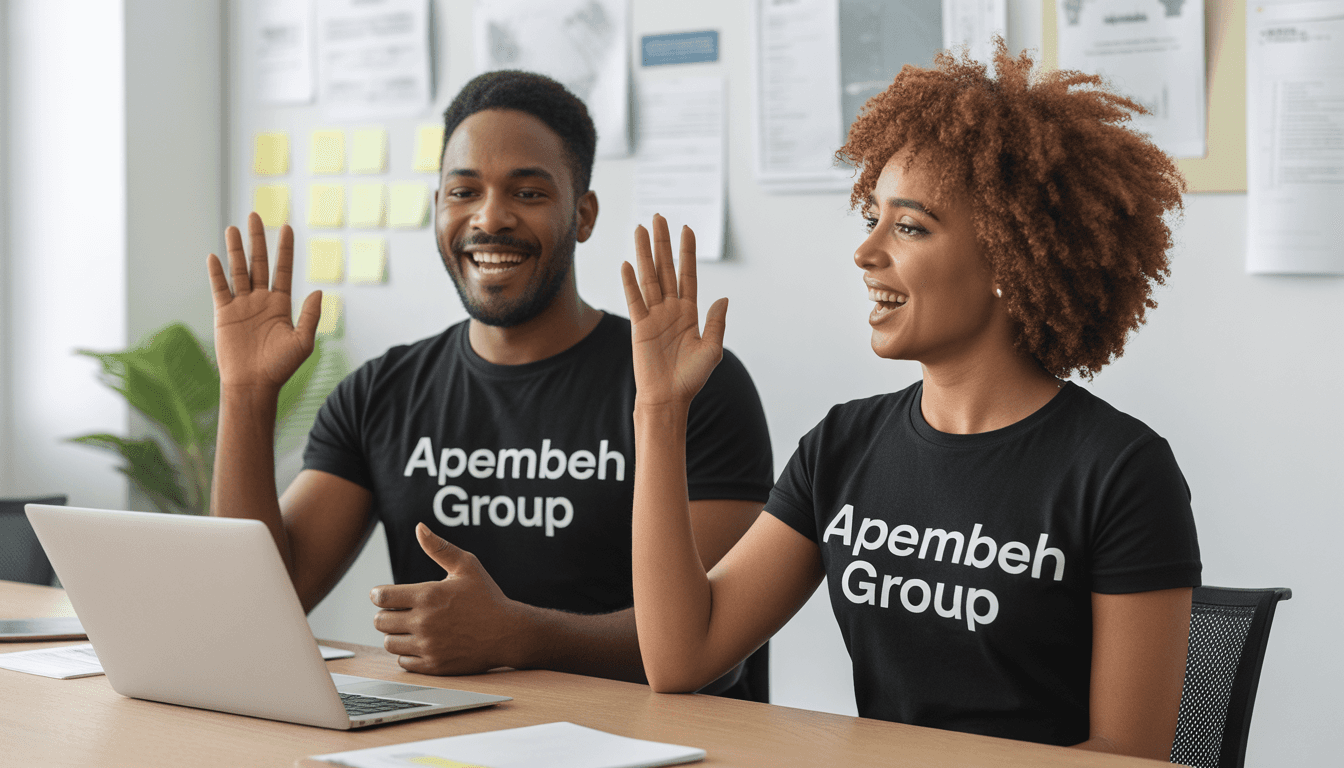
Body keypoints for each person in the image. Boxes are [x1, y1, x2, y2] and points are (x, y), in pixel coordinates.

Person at [622, 42, 1201, 759]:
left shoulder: (1119, 471)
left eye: (910, 226)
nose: (865, 252)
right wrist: (659, 410)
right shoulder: (842, 447)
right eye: (872, 217)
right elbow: (682, 657)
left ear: (1006, 260)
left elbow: (1126, 754)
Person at [206, 71, 774, 692]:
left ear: (582, 216)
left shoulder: (690, 387)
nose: (490, 218)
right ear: (438, 209)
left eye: (528, 193)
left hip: (657, 745)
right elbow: (251, 610)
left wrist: (519, 635)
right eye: (463, 191)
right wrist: (247, 395)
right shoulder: (381, 393)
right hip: (445, 741)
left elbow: (717, 642)